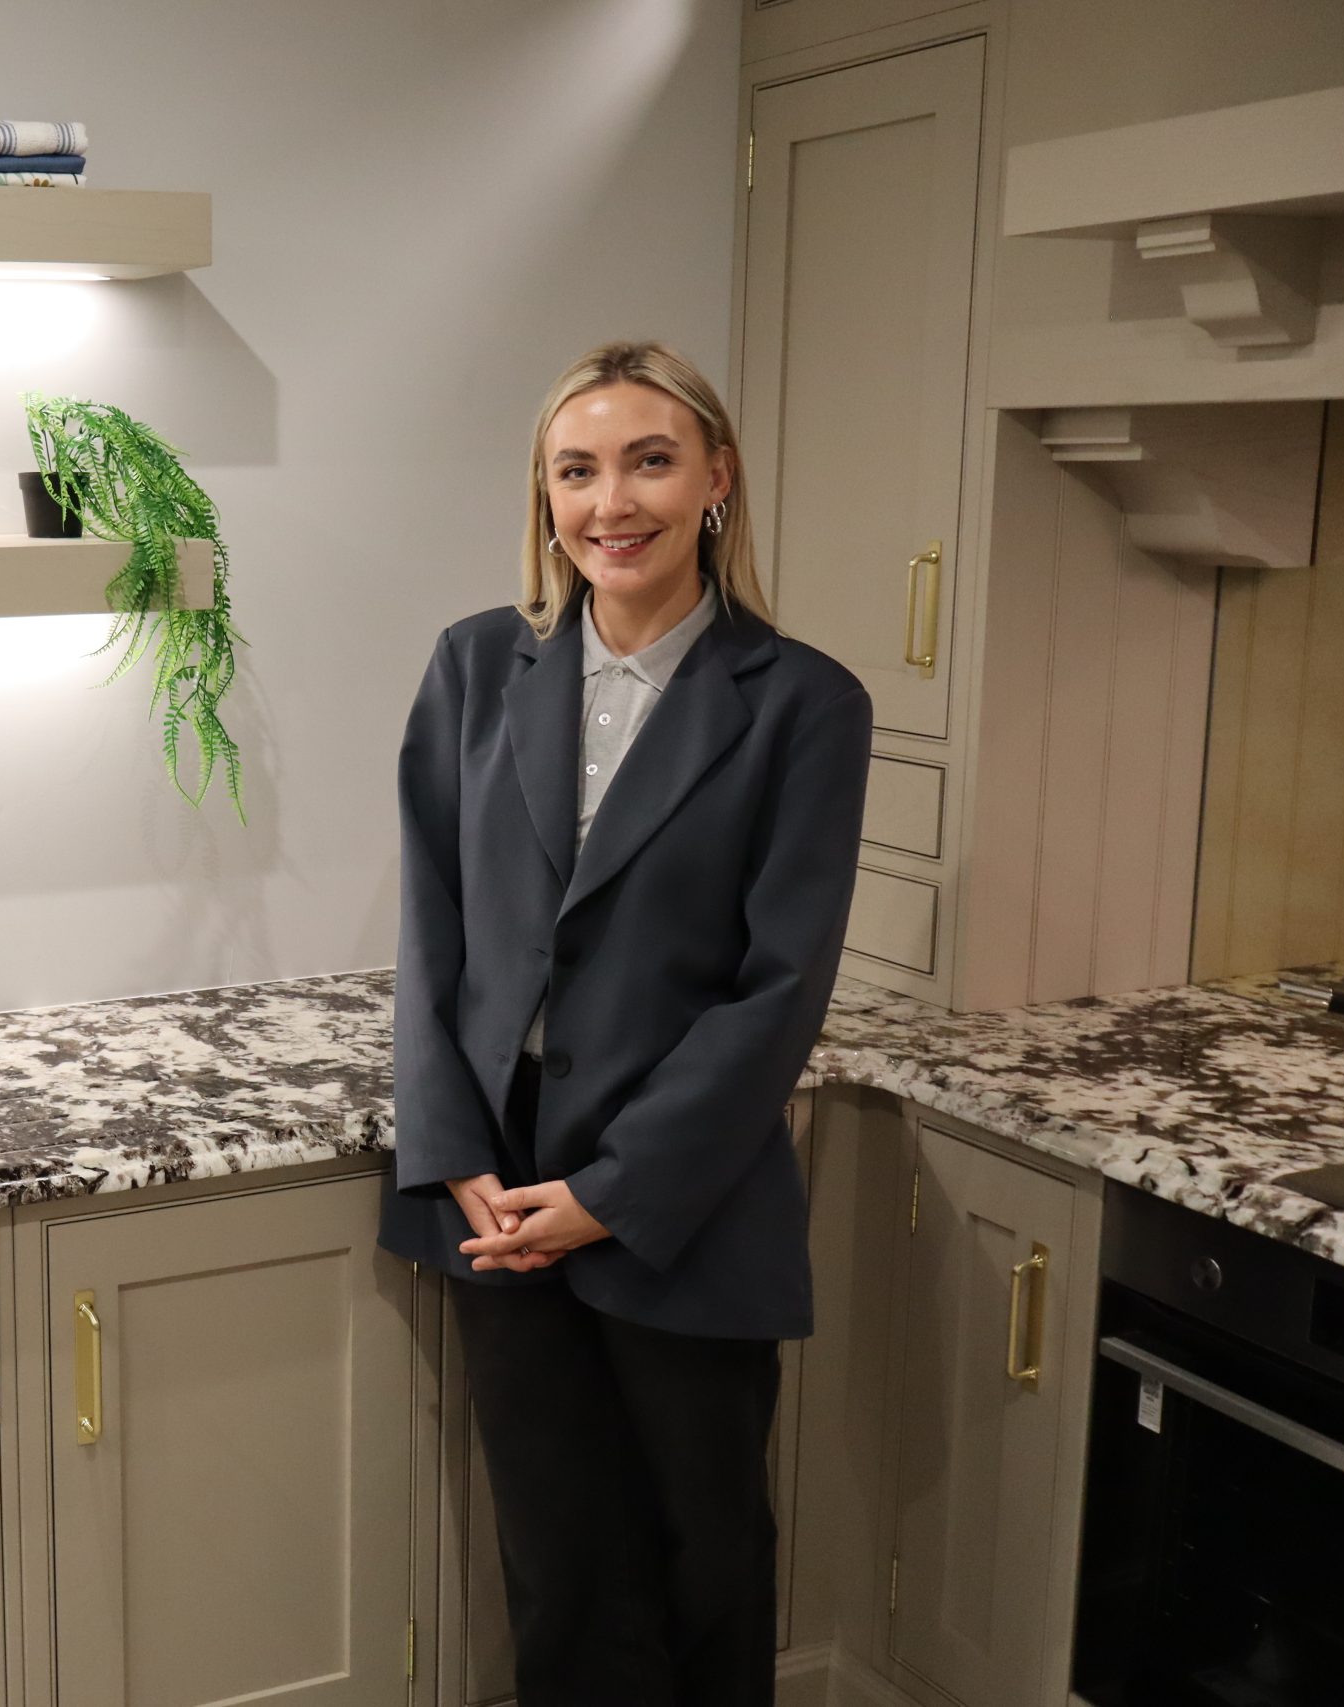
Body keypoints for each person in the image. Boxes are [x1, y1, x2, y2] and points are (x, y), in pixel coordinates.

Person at [377, 340, 871, 1705]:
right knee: (559, 1561)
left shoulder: (805, 705)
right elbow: (433, 928)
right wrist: (454, 1146)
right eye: (578, 470)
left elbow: (780, 991)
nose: (614, 502)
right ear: (545, 498)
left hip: (683, 1188)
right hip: (496, 1176)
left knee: (704, 1554)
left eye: (650, 461)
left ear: (716, 479)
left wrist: (611, 1192)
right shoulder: (477, 666)